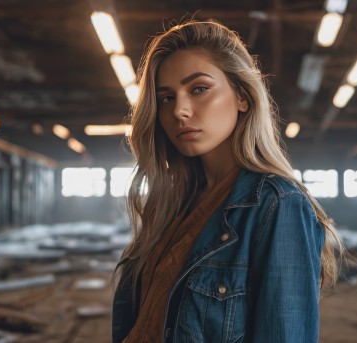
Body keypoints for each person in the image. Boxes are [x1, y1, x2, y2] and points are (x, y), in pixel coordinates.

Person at [112, 20, 343, 343]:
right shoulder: (175, 207)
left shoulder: (276, 205)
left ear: (242, 96)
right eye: (166, 98)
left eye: (199, 89)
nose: (180, 110)